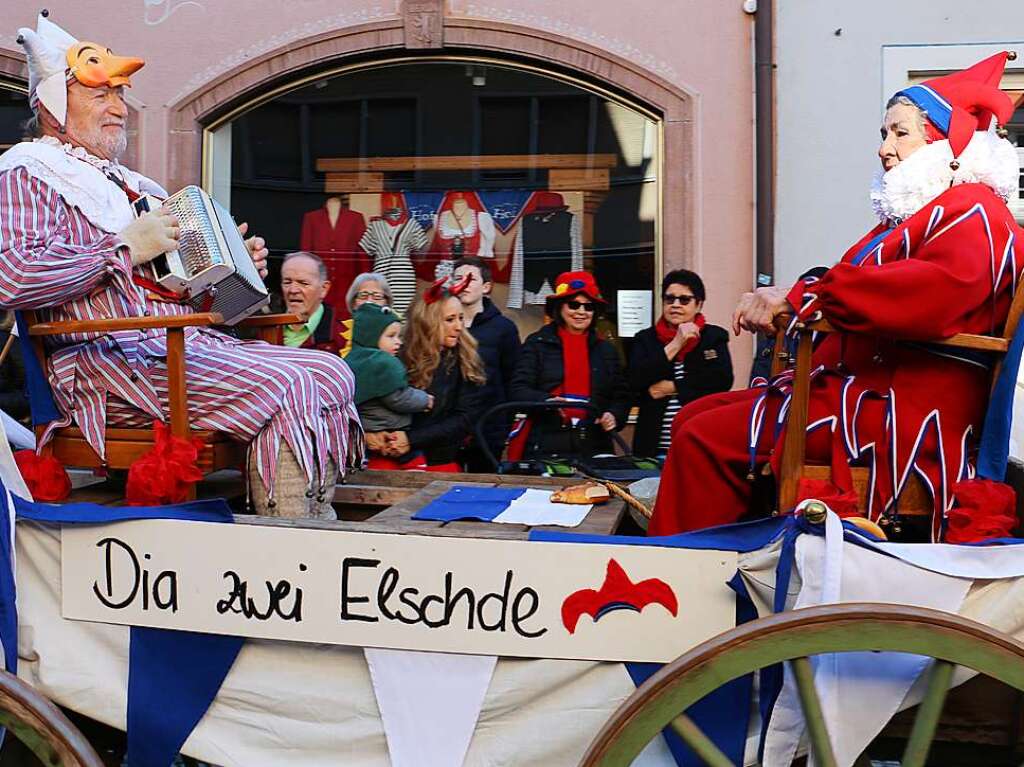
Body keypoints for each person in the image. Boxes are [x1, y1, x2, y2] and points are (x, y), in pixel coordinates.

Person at [649, 52, 1024, 541]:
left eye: (900, 133)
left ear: (948, 145)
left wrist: (803, 297)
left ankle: (694, 572)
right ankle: (730, 556)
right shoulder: (930, 214)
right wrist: (805, 296)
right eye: (884, 134)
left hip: (900, 409)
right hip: (864, 388)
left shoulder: (974, 211)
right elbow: (867, 283)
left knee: (701, 435)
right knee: (699, 414)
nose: (884, 148)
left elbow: (934, 294)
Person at [0, 14, 362, 518]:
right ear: (54, 107)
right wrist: (122, 247)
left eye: (119, 96)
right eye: (100, 95)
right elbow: (12, 278)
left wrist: (233, 265)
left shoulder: (133, 184)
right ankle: (289, 531)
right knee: (293, 382)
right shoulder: (27, 173)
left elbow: (188, 292)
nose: (117, 108)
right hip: (106, 362)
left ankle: (301, 513)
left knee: (330, 368)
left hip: (174, 343)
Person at [508, 271, 630, 458]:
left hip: (594, 442)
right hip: (546, 441)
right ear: (560, 308)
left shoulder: (606, 350)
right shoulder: (537, 343)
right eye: (574, 305)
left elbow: (621, 395)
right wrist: (548, 401)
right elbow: (518, 389)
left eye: (588, 307)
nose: (581, 312)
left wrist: (613, 415)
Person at [375, 274, 486, 471]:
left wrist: (411, 439)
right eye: (450, 320)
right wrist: (378, 435)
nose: (459, 327)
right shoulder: (399, 355)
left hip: (439, 459)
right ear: (428, 321)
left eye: (461, 318)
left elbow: (464, 420)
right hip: (388, 453)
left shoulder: (466, 360)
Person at [629, 269, 732, 457]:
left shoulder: (713, 337)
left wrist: (672, 387)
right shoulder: (645, 339)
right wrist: (676, 344)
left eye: (684, 300)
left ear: (698, 305)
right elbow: (636, 379)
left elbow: (720, 382)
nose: (675, 305)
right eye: (670, 299)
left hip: (699, 444)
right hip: (653, 446)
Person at [451, 256, 522, 470]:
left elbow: (512, 379)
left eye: (471, 279)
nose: (463, 283)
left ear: (486, 287)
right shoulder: (441, 325)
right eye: (458, 278)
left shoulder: (503, 328)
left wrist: (503, 424)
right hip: (447, 427)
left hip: (488, 428)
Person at [346, 303, 433, 469]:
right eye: (391, 336)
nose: (398, 342)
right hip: (390, 429)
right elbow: (398, 398)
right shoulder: (383, 363)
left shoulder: (353, 360)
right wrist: (425, 400)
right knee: (415, 461)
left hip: (365, 431)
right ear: (371, 336)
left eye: (399, 336)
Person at [280, 251, 347, 354]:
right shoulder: (262, 329)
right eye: (287, 282)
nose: (293, 290)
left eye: (303, 283)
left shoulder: (343, 335)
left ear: (324, 289)